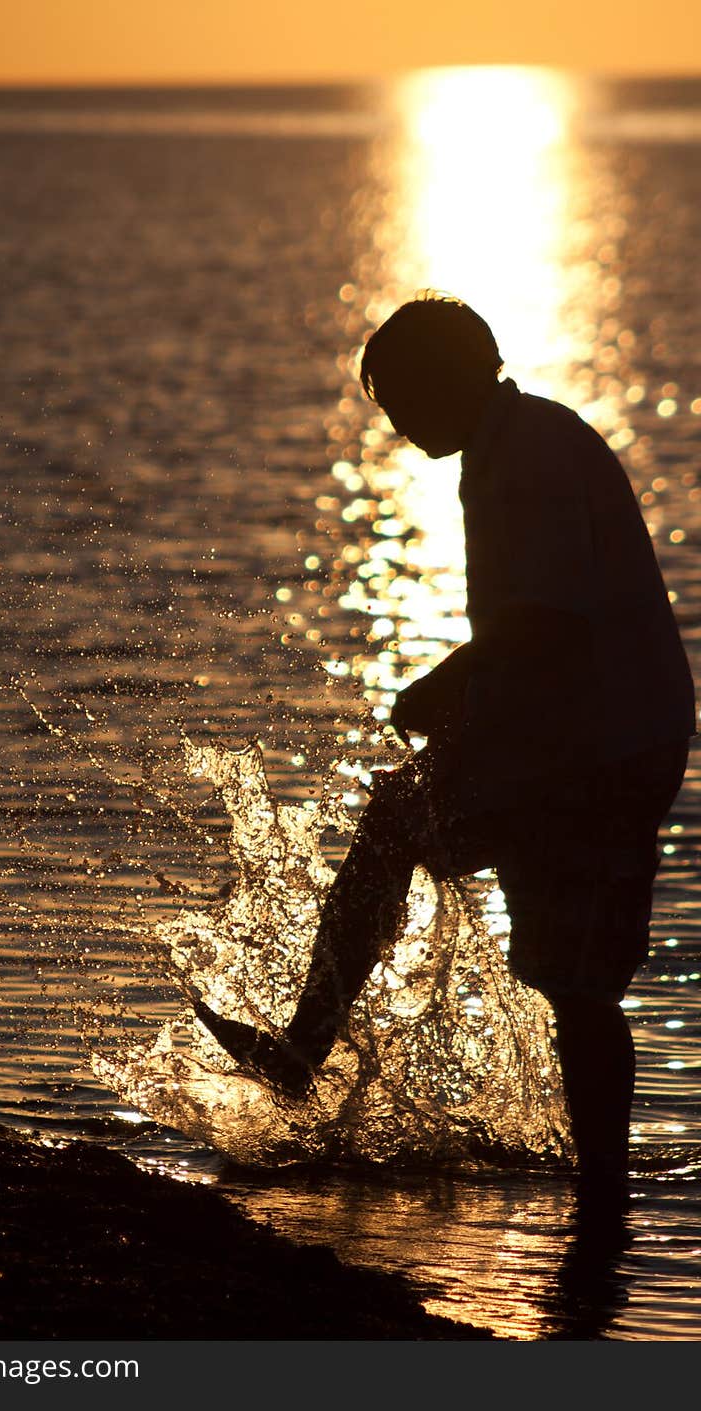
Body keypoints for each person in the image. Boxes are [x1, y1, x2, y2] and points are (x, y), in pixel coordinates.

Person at [194, 291, 696, 1191]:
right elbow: (536, 634)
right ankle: (599, 1198)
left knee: (567, 969)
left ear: (450, 378)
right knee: (568, 972)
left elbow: (547, 624)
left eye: (398, 399)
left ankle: (311, 1056)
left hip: (600, 745)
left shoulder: (531, 456)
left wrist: (443, 684)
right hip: (578, 735)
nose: (394, 424)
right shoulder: (510, 447)